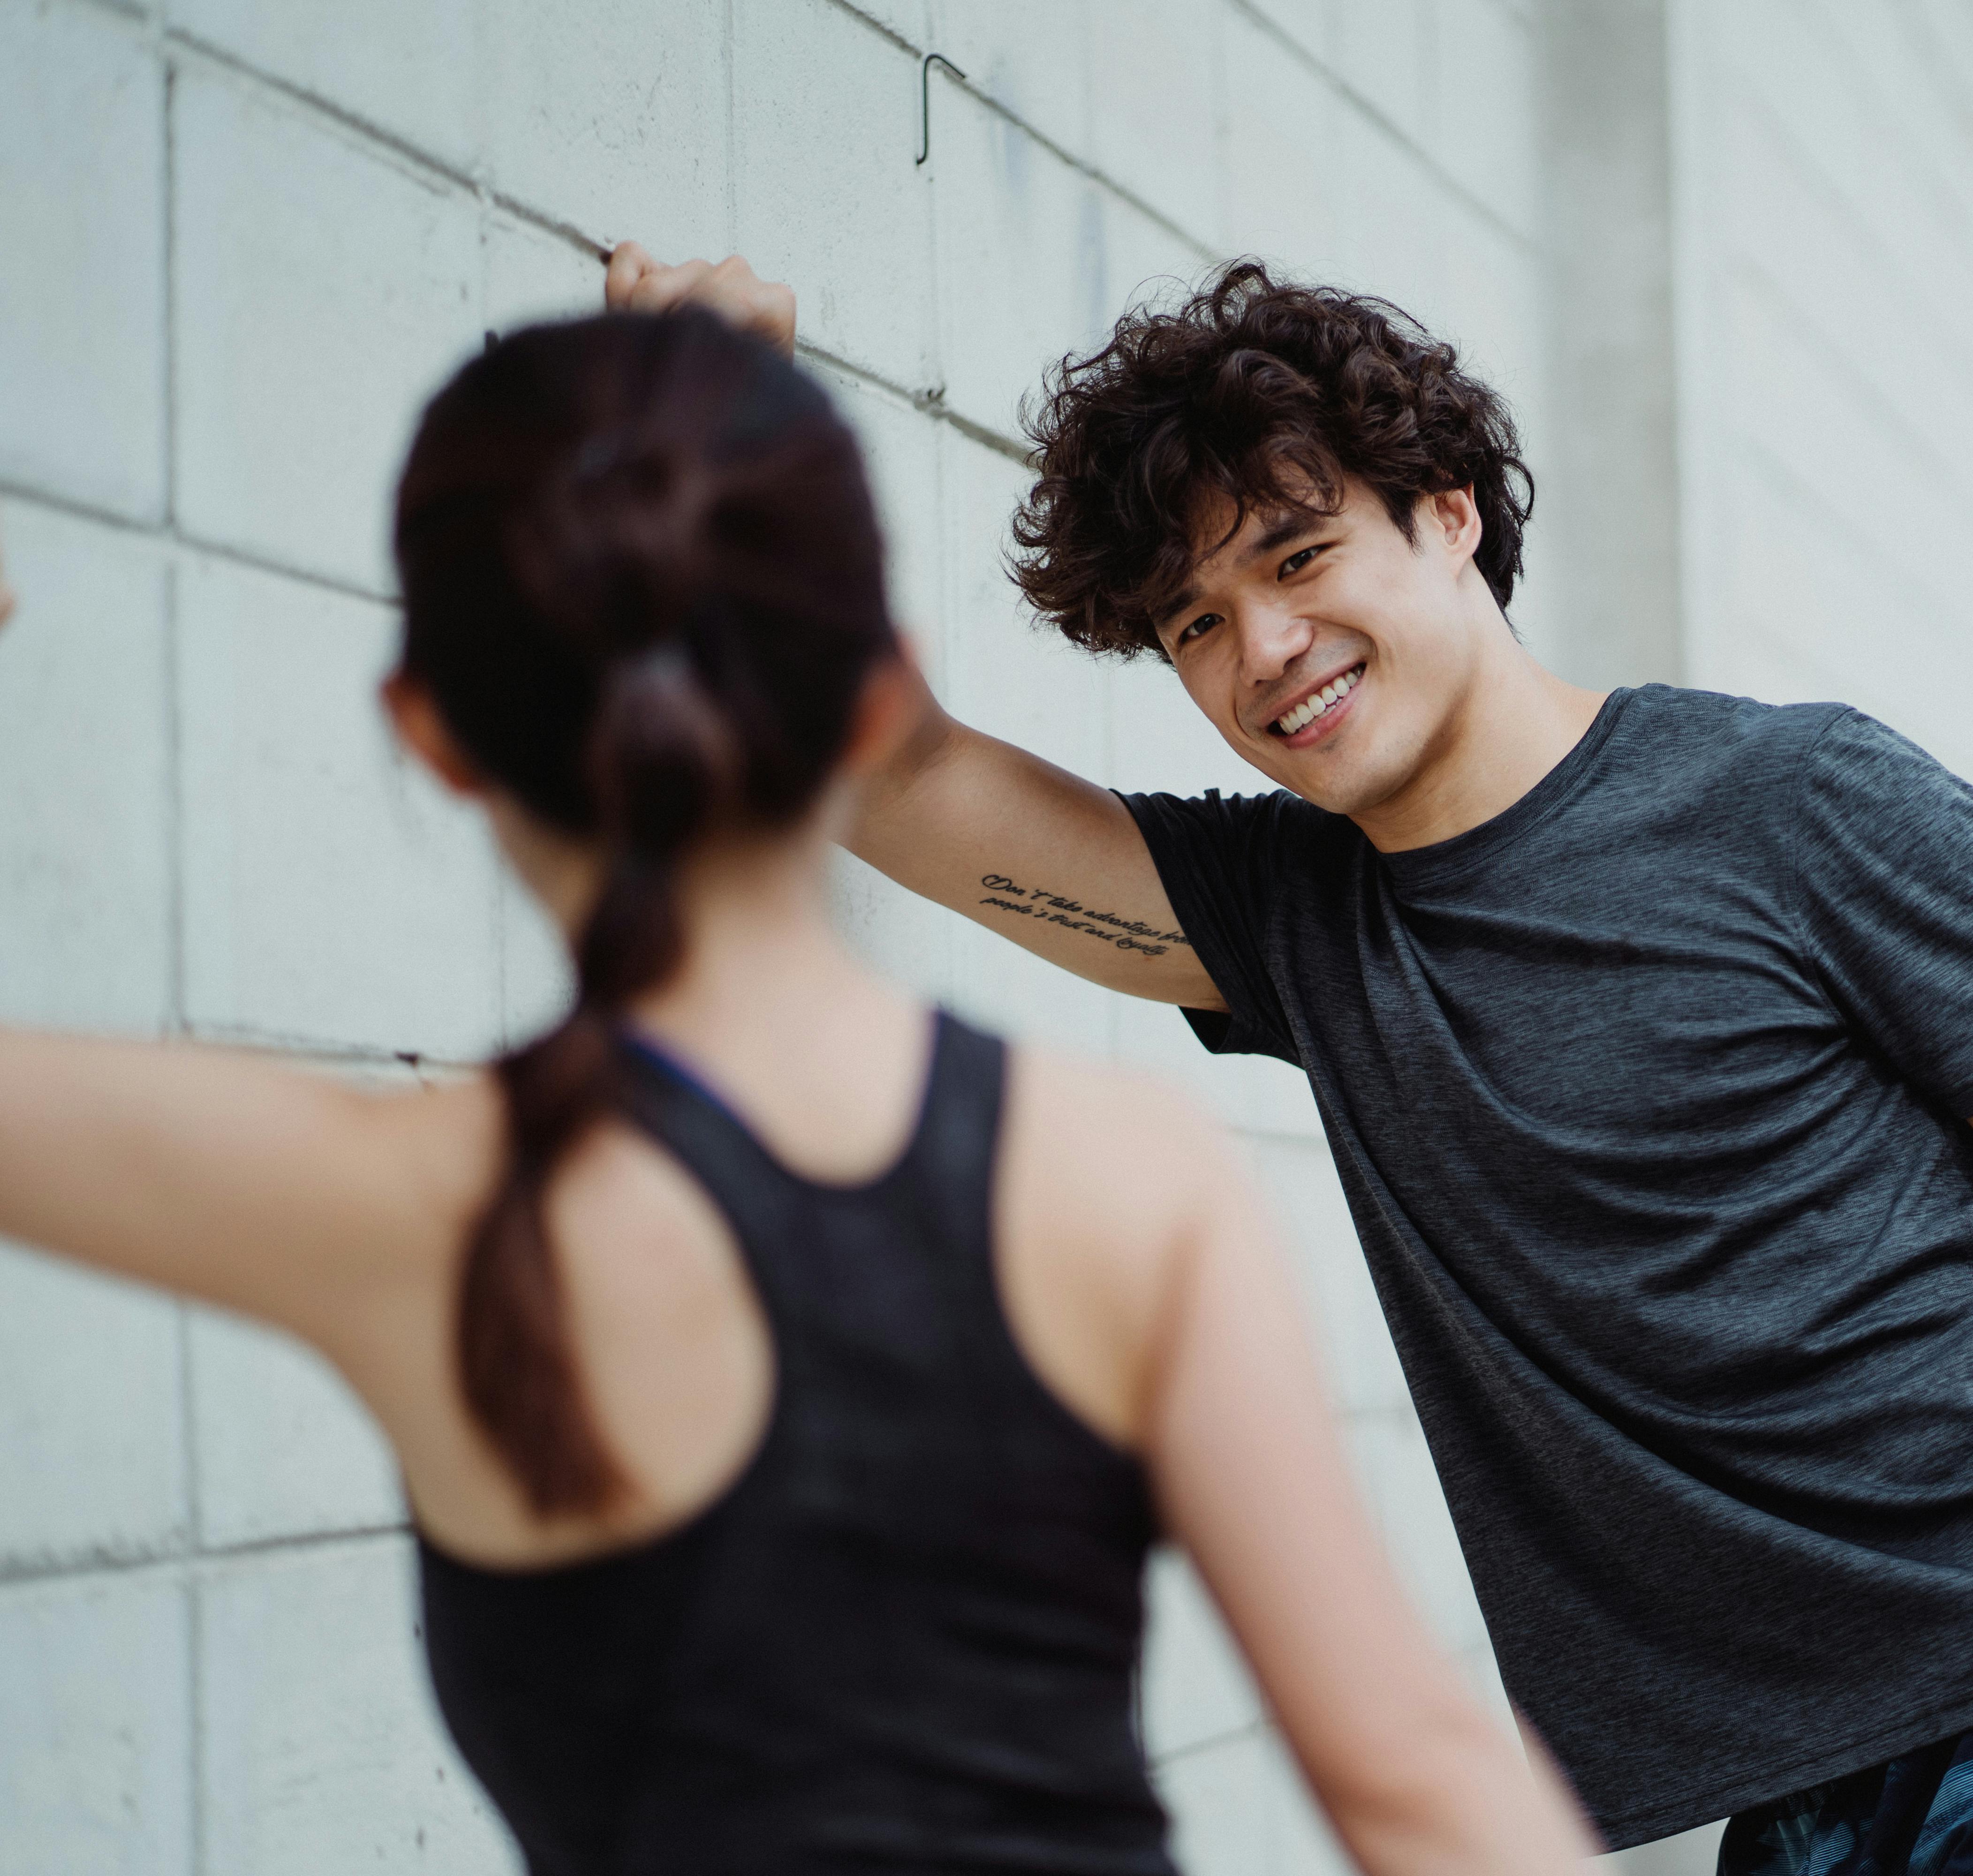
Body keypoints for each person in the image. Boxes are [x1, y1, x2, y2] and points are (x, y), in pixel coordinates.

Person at [608, 247, 1973, 1876]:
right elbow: (889, 779)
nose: (1260, 656)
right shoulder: (1302, 924)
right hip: (1802, 1791)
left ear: (1446, 517)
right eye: (1192, 626)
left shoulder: (1802, 805)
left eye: (1299, 555)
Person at [0, 313, 1595, 1876]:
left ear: (431, 736)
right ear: (876, 689)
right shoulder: (1117, 1185)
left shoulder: (412, 1209)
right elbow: (1417, 1785)